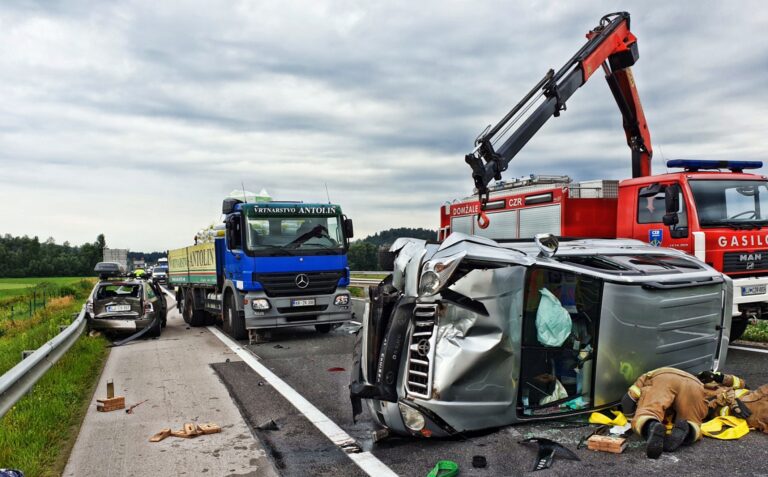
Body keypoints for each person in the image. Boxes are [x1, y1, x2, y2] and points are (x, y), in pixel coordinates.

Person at [620, 368, 750, 458]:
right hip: (694, 385)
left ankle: (651, 426)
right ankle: (688, 431)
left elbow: (628, 401)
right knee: (693, 422)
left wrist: (631, 418)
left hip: (664, 378)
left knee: (647, 413)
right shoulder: (717, 388)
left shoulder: (647, 377)